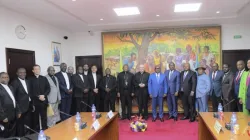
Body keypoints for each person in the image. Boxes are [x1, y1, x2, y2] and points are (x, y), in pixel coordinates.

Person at [11, 68, 32, 136]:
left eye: (24, 72)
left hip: (28, 106)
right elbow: (13, 97)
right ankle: (21, 137)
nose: (23, 74)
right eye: (20, 72)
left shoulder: (28, 81)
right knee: (20, 124)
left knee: (28, 122)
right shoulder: (14, 83)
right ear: (17, 73)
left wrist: (32, 104)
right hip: (20, 108)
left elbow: (28, 94)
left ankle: (27, 135)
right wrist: (18, 110)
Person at [0, 72, 21, 138]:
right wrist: (3, 117)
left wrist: (18, 111)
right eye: (3, 77)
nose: (6, 79)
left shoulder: (11, 87)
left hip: (13, 114)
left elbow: (14, 100)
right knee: (5, 134)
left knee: (13, 132)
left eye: (7, 77)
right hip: (5, 115)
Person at [30, 65, 50, 130]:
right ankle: (36, 132)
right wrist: (38, 96)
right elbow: (30, 91)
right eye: (35, 69)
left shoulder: (44, 78)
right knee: (35, 118)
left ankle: (45, 130)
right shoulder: (30, 79)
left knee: (44, 117)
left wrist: (44, 95)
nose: (37, 70)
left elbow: (48, 88)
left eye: (38, 69)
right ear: (33, 71)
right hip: (35, 102)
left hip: (44, 101)